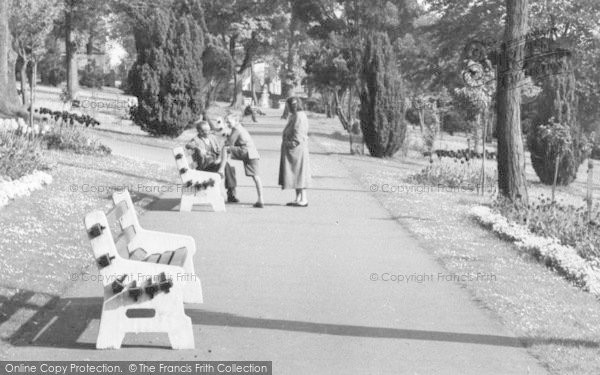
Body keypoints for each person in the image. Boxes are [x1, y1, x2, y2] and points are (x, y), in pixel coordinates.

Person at [185, 119, 239, 203]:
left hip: (214, 164)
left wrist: (219, 159)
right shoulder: (196, 140)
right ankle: (231, 193)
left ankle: (231, 192)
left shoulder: (212, 137)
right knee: (227, 166)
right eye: (204, 131)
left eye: (208, 130)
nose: (207, 132)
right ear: (199, 131)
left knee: (227, 165)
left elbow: (219, 151)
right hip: (205, 168)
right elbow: (188, 145)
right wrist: (198, 148)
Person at [219, 114, 265, 208]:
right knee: (256, 177)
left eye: (229, 122)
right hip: (253, 153)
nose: (227, 124)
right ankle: (261, 199)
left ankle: (221, 169)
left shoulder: (236, 129)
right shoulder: (240, 128)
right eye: (226, 122)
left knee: (225, 148)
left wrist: (225, 137)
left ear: (236, 121)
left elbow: (229, 143)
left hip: (245, 152)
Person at [279, 97, 311, 207]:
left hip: (297, 151)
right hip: (294, 151)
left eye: (287, 106)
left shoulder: (299, 116)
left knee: (299, 174)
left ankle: (304, 199)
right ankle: (298, 198)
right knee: (295, 174)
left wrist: (289, 144)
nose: (286, 108)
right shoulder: (296, 115)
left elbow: (298, 135)